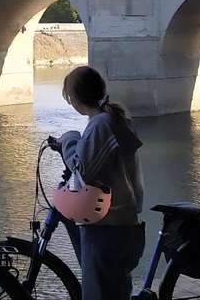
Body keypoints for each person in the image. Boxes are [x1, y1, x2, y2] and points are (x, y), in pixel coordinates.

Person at [56, 65, 146, 300]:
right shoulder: (118, 119)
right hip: (127, 220)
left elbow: (82, 170)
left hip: (107, 224)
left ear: (75, 98)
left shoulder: (100, 125)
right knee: (117, 291)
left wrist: (69, 139)